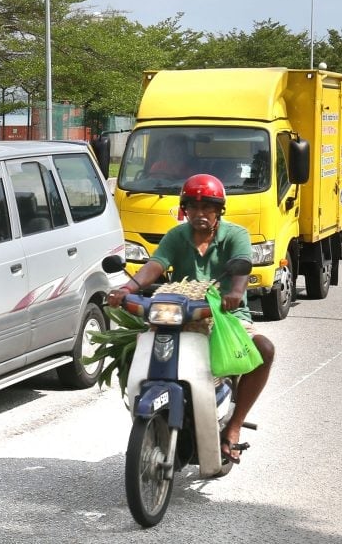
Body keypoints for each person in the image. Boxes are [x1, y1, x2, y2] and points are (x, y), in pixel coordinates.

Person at [107, 173, 275, 464]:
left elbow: (240, 274)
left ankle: (233, 428)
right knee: (140, 354)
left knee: (265, 349)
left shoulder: (235, 236)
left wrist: (234, 293)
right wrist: (127, 288)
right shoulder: (177, 235)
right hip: (177, 316)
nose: (200, 214)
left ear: (219, 210)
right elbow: (156, 264)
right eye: (194, 208)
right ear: (185, 210)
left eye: (208, 207)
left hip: (224, 315)